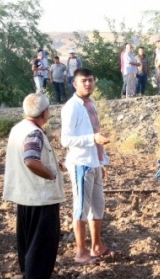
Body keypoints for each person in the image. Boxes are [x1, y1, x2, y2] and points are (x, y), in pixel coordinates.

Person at [3, 93, 65, 279]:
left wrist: (54, 164)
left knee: (28, 244)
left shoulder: (17, 129)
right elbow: (31, 160)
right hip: (41, 198)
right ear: (45, 112)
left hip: (25, 197)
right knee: (42, 247)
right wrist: (50, 174)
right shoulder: (34, 133)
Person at [60, 68, 113, 264]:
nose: (88, 84)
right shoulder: (71, 107)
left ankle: (97, 246)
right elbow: (66, 140)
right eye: (84, 81)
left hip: (94, 164)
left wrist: (100, 162)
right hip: (81, 163)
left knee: (98, 207)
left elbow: (96, 132)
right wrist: (92, 139)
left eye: (90, 80)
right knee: (81, 208)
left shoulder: (90, 104)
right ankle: (80, 252)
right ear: (75, 84)